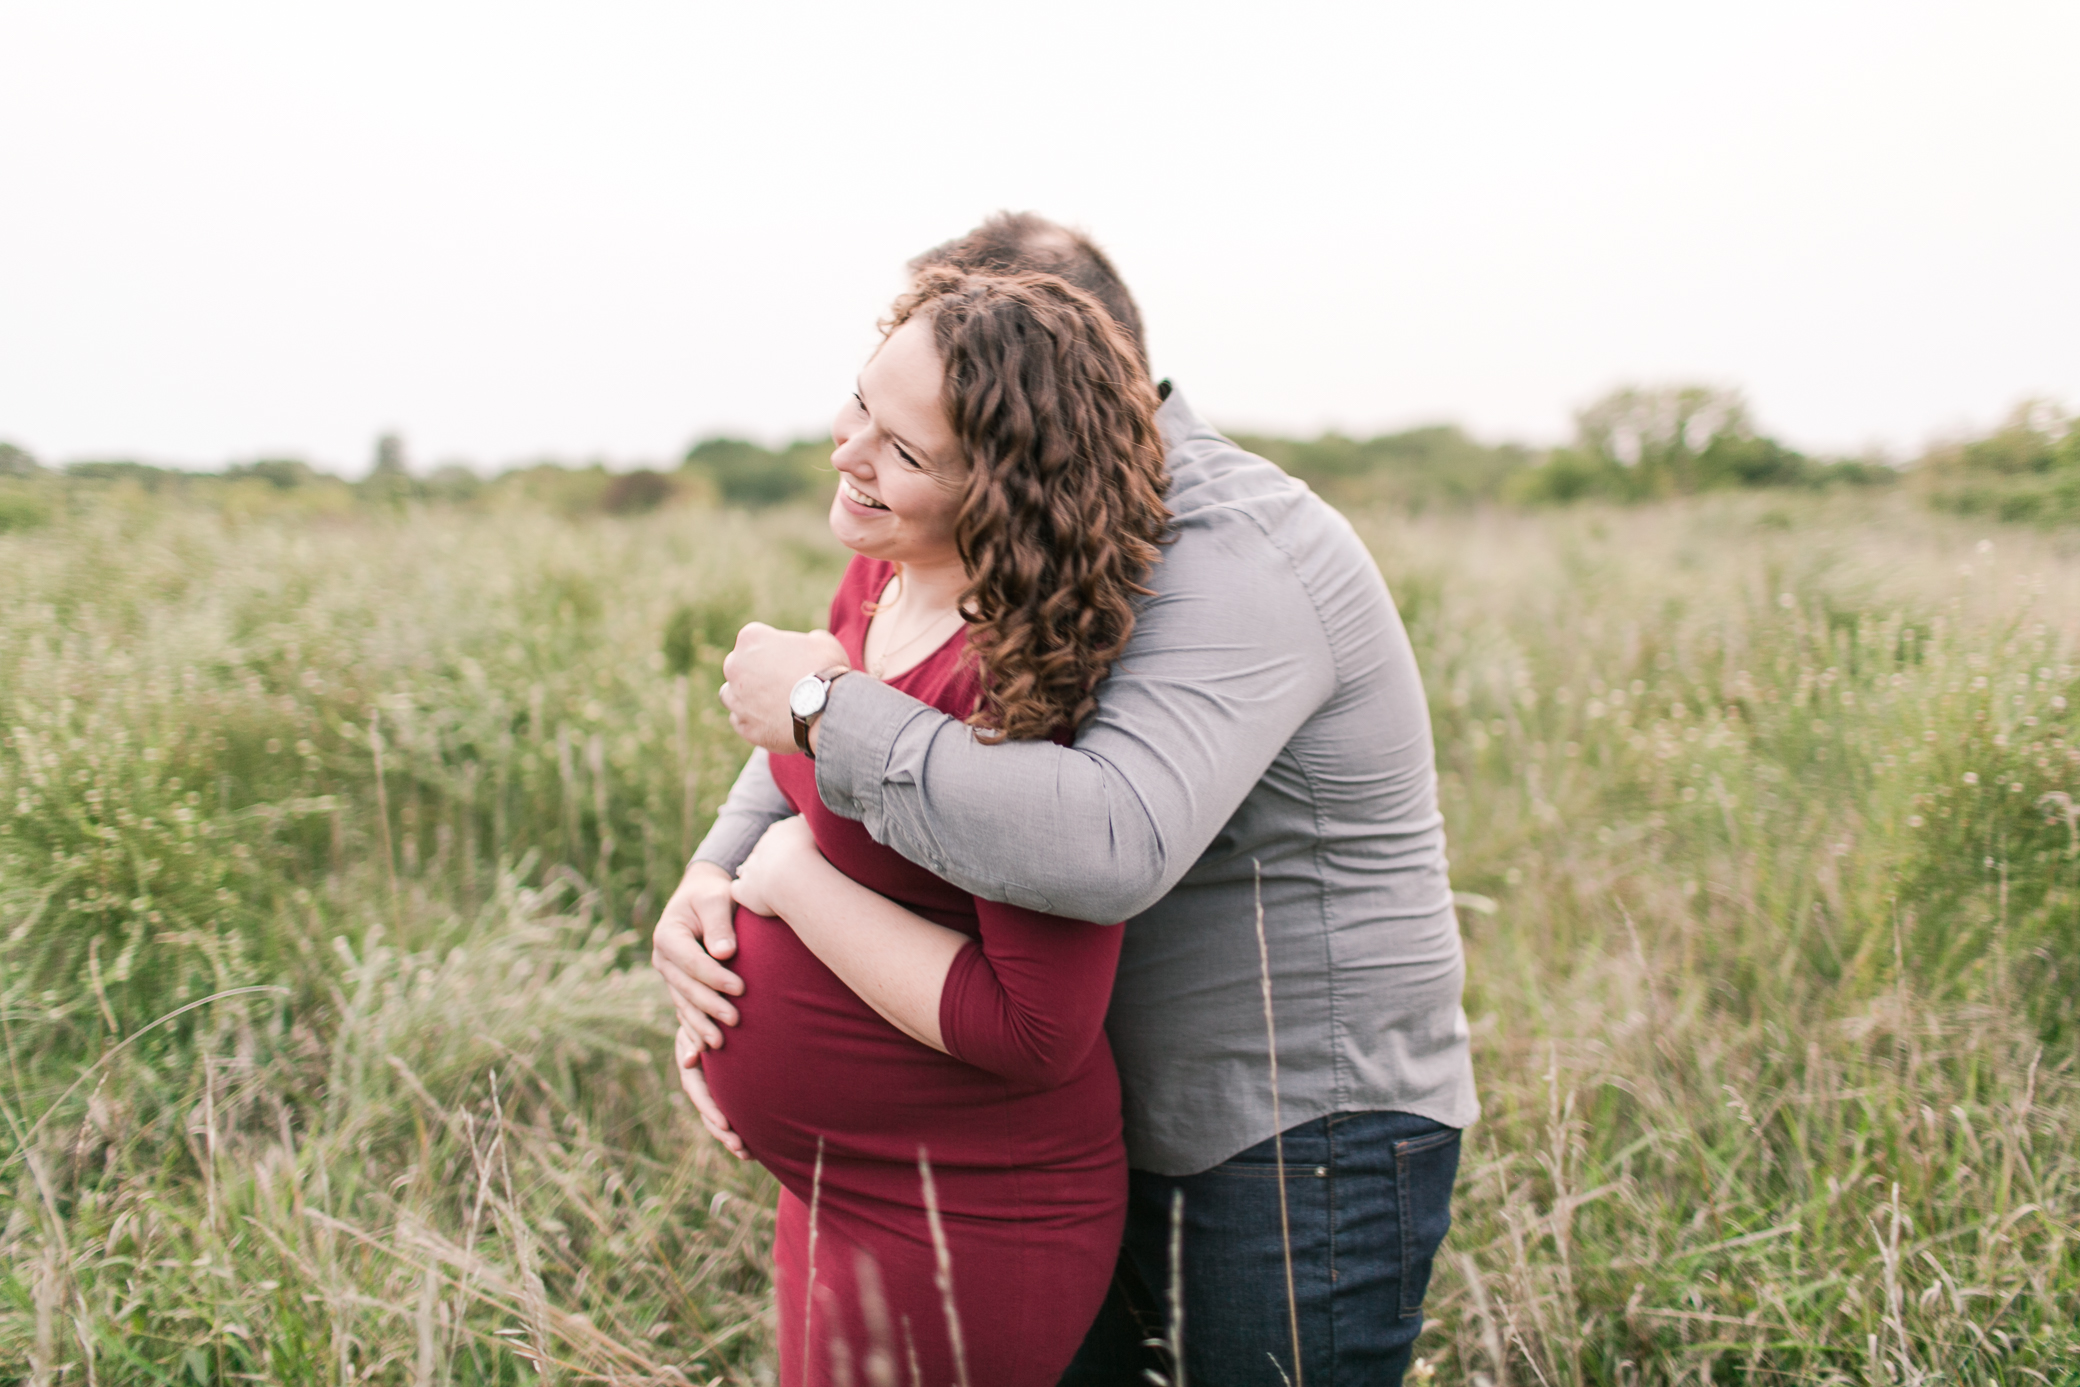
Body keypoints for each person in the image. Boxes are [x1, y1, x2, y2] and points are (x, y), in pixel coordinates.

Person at [657, 214, 1478, 1386]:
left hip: (1282, 1134)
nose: (864, 441)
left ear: (1041, 393)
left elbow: (1103, 839)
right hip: (1059, 1126)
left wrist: (808, 773)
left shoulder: (1228, 549)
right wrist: (716, 877)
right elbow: (844, 703)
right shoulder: (998, 537)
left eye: (920, 419)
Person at [686, 267, 1172, 1387]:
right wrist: (702, 923)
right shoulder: (875, 579)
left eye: (903, 452)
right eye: (860, 404)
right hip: (834, 1175)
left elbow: (1035, 1027)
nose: (848, 452)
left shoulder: (1015, 676)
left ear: (999, 490)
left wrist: (787, 877)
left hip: (969, 1207)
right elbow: (800, 799)